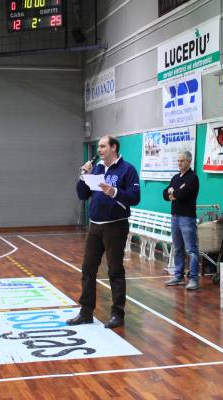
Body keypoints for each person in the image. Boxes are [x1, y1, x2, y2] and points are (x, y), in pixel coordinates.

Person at [67, 136, 140, 329]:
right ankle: (86, 312)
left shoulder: (127, 169)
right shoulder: (97, 168)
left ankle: (117, 314)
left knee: (115, 270)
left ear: (113, 147)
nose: (99, 149)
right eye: (98, 146)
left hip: (115, 225)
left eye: (103, 146)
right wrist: (83, 176)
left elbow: (135, 197)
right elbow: (82, 195)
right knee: (88, 268)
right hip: (95, 225)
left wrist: (115, 192)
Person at [163, 151, 200, 290]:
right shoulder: (175, 178)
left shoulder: (192, 178)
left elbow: (182, 194)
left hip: (187, 218)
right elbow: (165, 194)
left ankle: (194, 279)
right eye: (178, 161)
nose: (179, 163)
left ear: (189, 162)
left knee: (191, 249)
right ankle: (178, 276)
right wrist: (173, 193)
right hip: (175, 217)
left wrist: (174, 192)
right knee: (178, 248)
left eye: (182, 161)